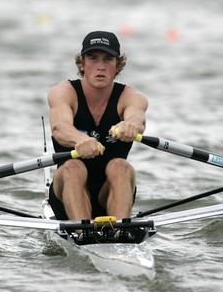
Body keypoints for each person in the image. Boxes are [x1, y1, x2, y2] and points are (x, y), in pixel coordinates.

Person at [47, 31, 148, 222]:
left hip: (110, 193)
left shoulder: (131, 96)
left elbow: (138, 118)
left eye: (108, 59)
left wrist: (130, 125)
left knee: (120, 166)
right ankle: (81, 232)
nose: (100, 66)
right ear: (82, 64)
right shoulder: (63, 92)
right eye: (93, 58)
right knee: (74, 167)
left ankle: (118, 232)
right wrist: (82, 140)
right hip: (66, 194)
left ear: (117, 65)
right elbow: (59, 127)